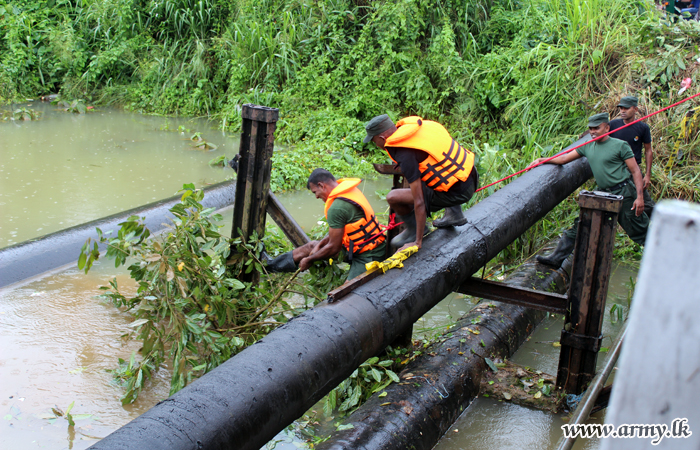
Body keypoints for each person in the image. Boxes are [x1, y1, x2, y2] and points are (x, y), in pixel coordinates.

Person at [528, 113, 650, 267]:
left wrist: (640, 197)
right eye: (591, 128)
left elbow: (635, 171)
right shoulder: (587, 145)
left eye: (597, 128)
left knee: (639, 230)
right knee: (581, 223)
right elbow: (565, 159)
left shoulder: (620, 145)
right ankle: (556, 258)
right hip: (602, 192)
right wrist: (542, 160)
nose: (593, 131)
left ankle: (665, 259)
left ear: (606, 128)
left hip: (623, 192)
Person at [363, 114, 479, 250]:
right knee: (431, 174)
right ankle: (454, 214)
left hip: (459, 192)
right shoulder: (418, 129)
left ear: (382, 138)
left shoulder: (403, 154)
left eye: (374, 141)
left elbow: (419, 202)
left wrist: (417, 242)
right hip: (469, 175)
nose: (376, 145)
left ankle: (417, 230)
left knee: (393, 197)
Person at [264, 169, 387, 280]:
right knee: (312, 246)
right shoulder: (349, 191)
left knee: (345, 294)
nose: (317, 197)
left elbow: (334, 248)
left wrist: (309, 259)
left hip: (369, 254)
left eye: (315, 192)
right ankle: (269, 266)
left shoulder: (337, 208)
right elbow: (340, 233)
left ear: (321, 185)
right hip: (354, 245)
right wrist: (318, 246)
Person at [609, 95, 656, 218]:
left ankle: (658, 225)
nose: (622, 111)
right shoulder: (612, 125)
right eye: (621, 108)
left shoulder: (642, 128)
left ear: (635, 109)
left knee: (646, 203)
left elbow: (648, 151)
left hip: (633, 170)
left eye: (626, 108)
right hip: (615, 169)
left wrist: (647, 174)